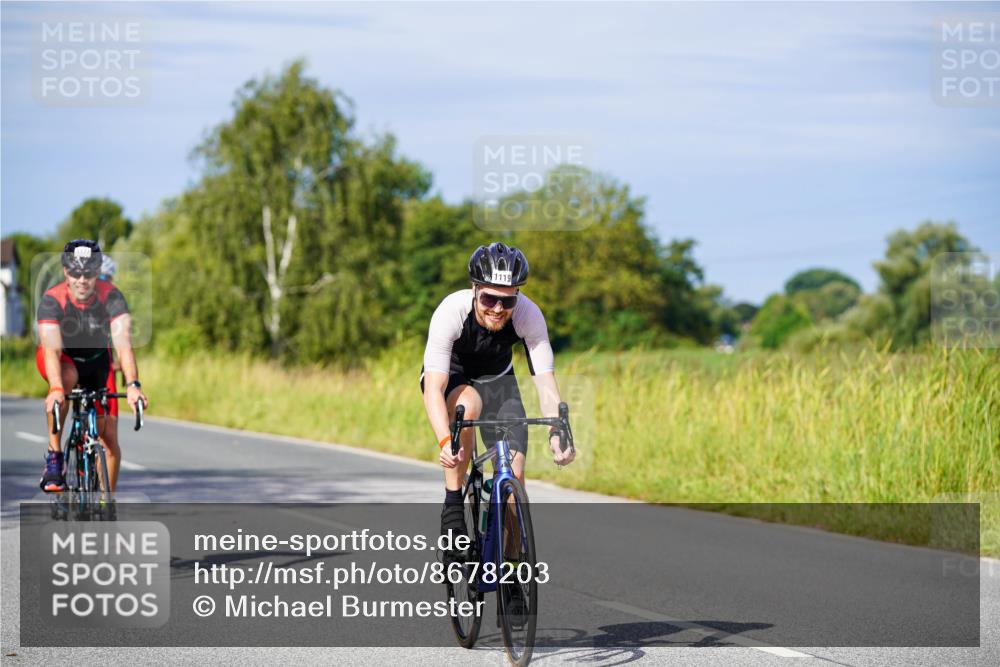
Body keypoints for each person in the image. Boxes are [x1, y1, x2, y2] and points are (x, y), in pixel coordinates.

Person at [420, 242, 575, 562]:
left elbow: (545, 380)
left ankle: (515, 570)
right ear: (474, 290)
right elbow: (433, 387)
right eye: (489, 298)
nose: (497, 308)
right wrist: (445, 440)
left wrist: (558, 432)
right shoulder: (451, 311)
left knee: (514, 477)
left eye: (507, 300)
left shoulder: (528, 314)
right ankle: (452, 506)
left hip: (499, 382)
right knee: (470, 404)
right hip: (454, 377)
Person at [36, 239, 147, 492]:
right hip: (61, 360)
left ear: (97, 272)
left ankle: (105, 504)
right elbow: (51, 348)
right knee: (66, 377)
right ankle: (55, 458)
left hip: (97, 363)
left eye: (88, 273)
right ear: (66, 271)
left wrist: (132, 384)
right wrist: (55, 389)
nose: (82, 279)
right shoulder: (53, 300)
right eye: (75, 272)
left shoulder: (112, 297)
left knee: (108, 439)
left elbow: (124, 345)